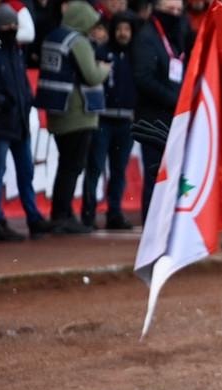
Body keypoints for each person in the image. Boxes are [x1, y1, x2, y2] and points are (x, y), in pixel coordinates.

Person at [0, 2, 51, 241]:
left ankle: (33, 217)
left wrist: (27, 100)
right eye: (10, 25)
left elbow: (22, 80)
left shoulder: (14, 49)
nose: (14, 29)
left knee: (26, 171)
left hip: (20, 119)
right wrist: (2, 101)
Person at [35, 0, 110, 234]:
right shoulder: (78, 41)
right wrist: (104, 68)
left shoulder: (53, 37)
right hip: (78, 113)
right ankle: (62, 215)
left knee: (65, 164)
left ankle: (63, 212)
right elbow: (91, 75)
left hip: (56, 111)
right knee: (73, 166)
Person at [82, 10, 137, 230]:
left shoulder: (136, 55)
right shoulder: (102, 52)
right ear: (113, 31)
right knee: (95, 167)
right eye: (119, 29)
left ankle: (114, 212)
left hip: (126, 121)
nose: (123, 33)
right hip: (102, 119)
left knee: (119, 170)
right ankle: (88, 214)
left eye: (127, 29)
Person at [133, 0, 186, 218]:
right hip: (153, 120)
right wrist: (175, 100)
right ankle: (152, 224)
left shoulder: (176, 37)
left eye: (178, 10)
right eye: (170, 10)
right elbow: (143, 78)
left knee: (175, 175)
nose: (175, 14)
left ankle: (171, 222)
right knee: (156, 175)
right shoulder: (146, 37)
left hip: (175, 118)